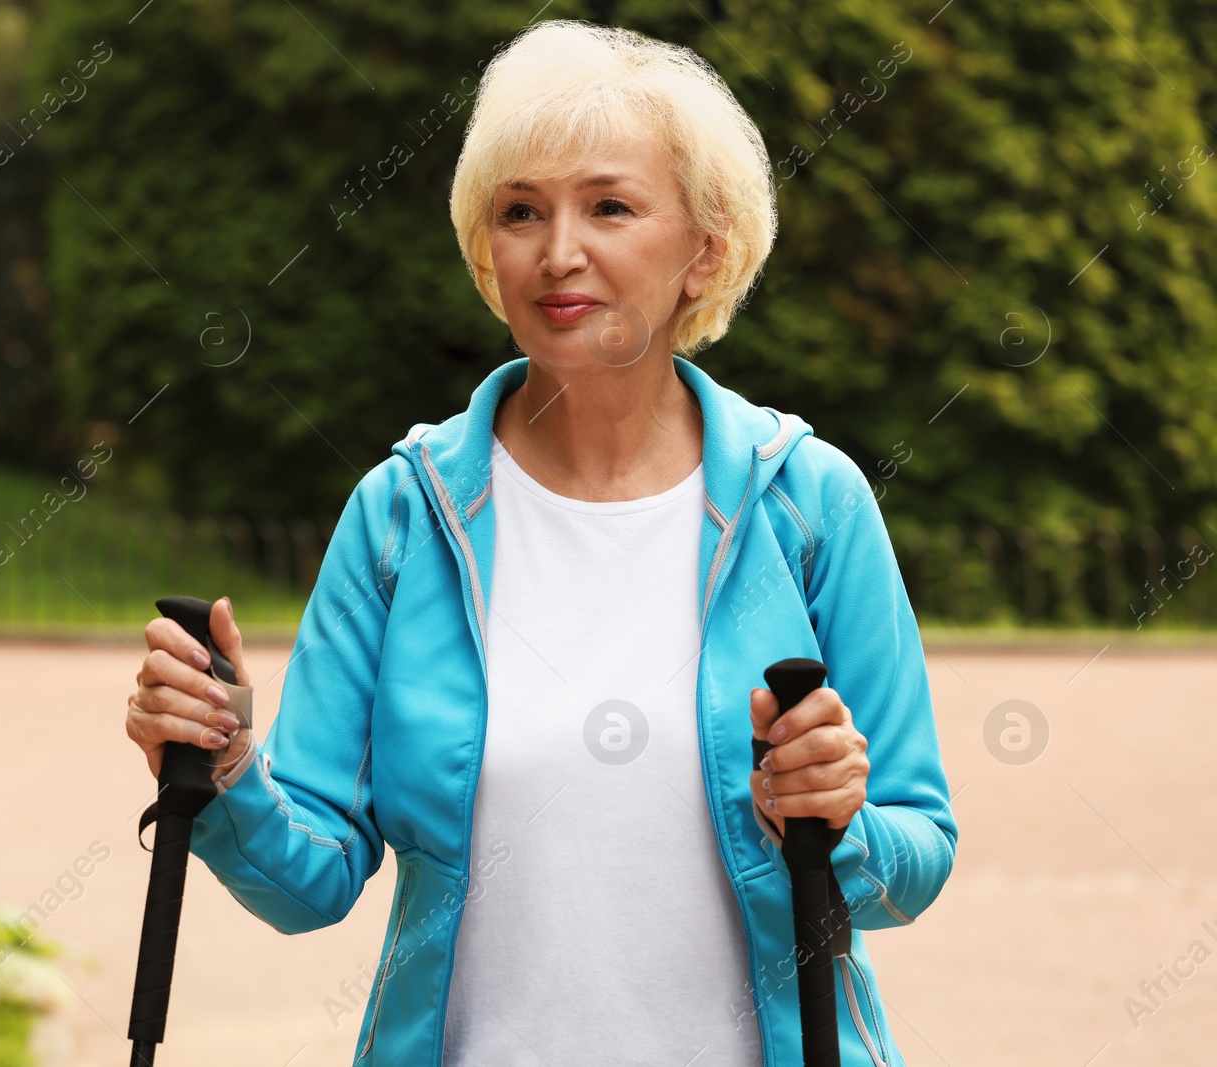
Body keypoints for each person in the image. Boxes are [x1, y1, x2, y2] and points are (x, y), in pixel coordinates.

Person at [125, 18, 957, 1067]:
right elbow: (310, 882)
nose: (559, 251)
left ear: (704, 249)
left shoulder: (811, 503)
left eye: (609, 205)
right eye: (521, 211)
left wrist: (842, 818)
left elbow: (915, 858)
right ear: (488, 250)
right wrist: (220, 765)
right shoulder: (401, 514)